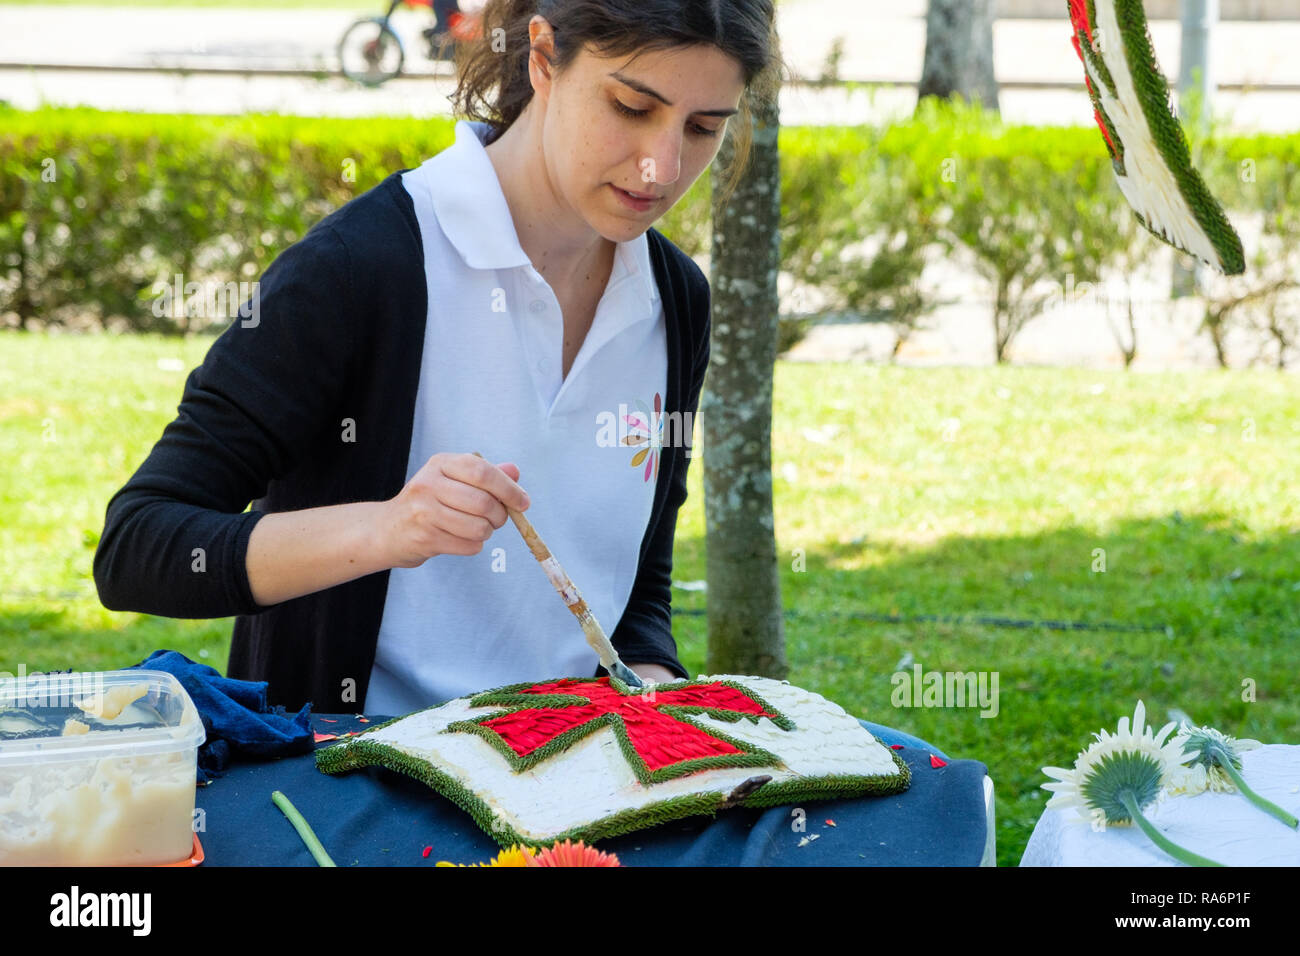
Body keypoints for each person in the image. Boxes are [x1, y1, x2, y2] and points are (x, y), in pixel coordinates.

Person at [93, 0, 779, 717]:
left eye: (704, 128)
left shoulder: (675, 297)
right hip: (362, 789)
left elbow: (636, 581)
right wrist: (388, 528)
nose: (663, 167)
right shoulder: (360, 270)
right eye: (632, 107)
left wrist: (651, 686)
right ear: (542, 57)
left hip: (585, 789)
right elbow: (139, 548)